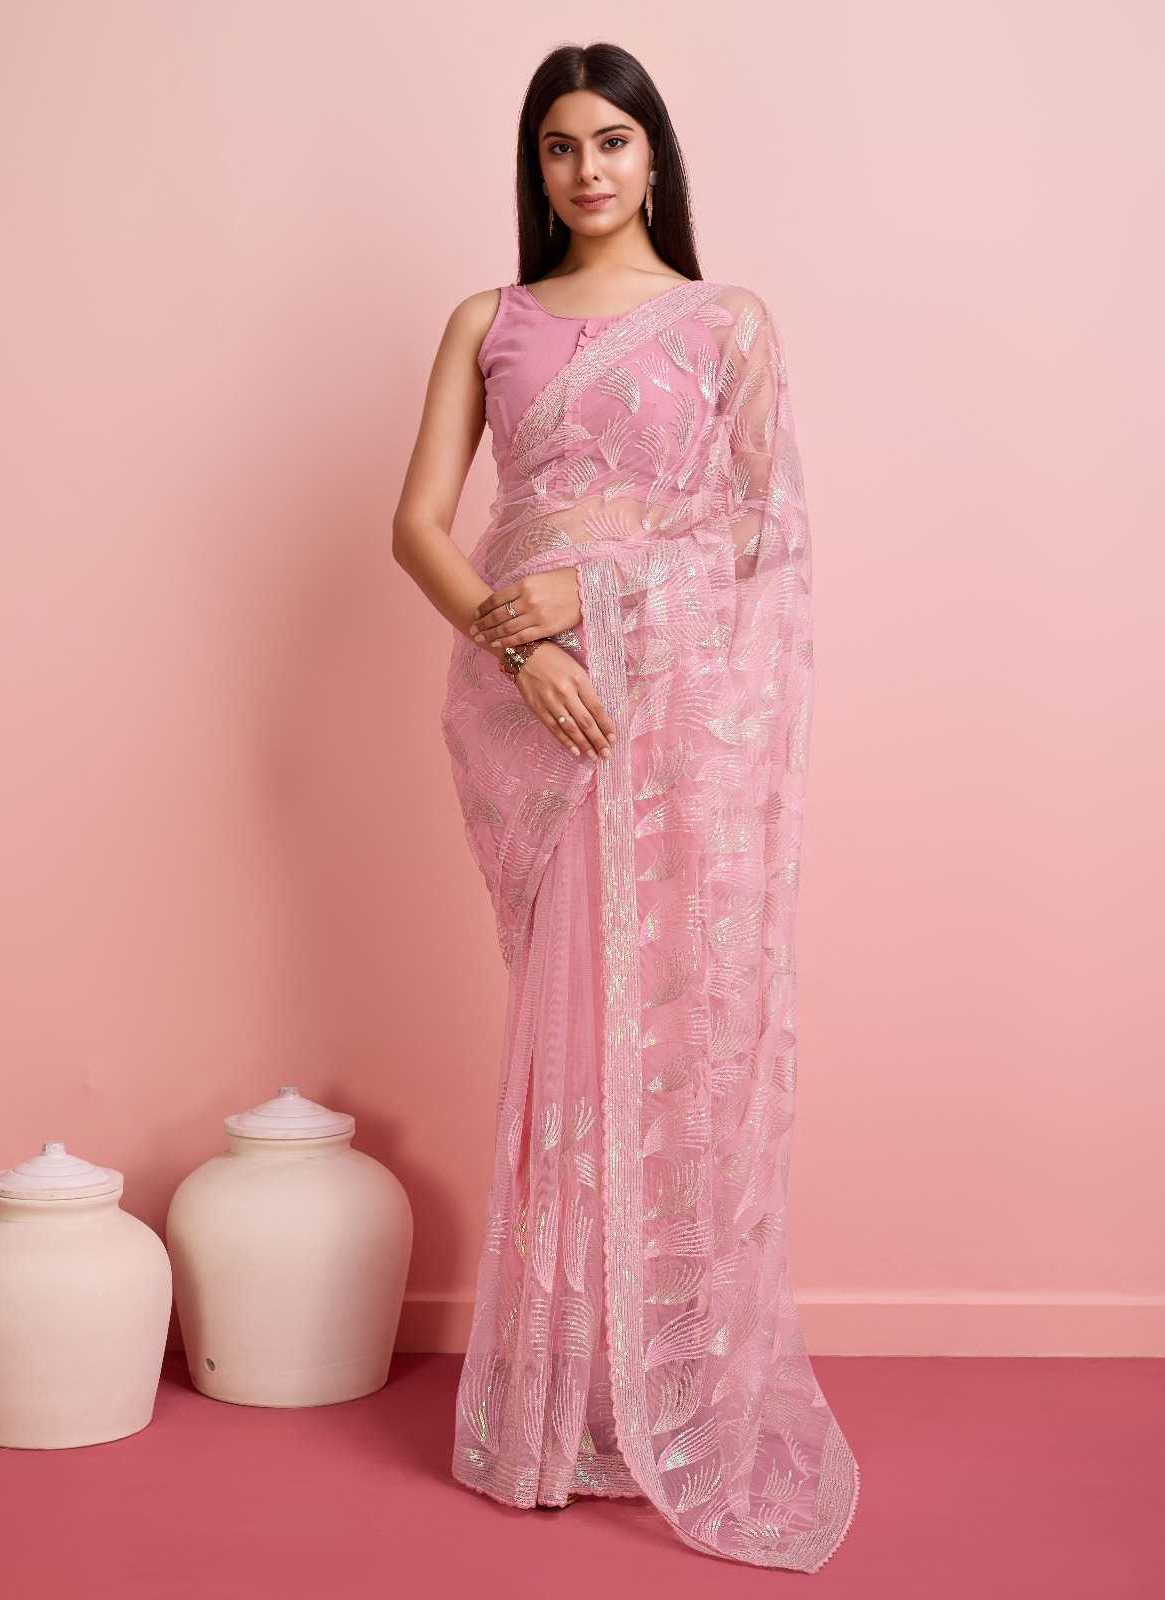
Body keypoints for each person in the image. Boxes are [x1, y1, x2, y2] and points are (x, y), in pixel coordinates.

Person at [391, 40, 860, 1573]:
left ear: (654, 156)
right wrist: (523, 648)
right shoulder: (492, 320)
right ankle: (556, 1410)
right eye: (558, 146)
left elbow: (764, 539)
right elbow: (417, 526)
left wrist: (600, 597)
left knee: (674, 1036)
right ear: (534, 167)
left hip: (678, 724)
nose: (586, 170)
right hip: (542, 721)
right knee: (568, 1042)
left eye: (611, 141)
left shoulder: (728, 324)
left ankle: (673, 1393)